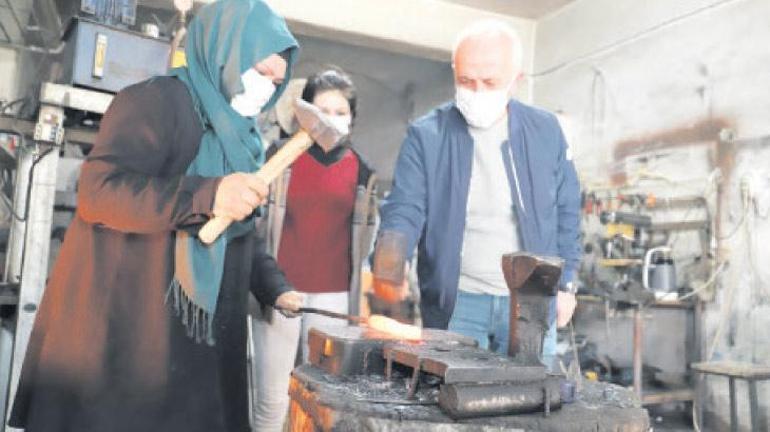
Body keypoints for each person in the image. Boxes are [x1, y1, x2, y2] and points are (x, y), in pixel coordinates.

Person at [8, 1, 305, 431]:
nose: (266, 88)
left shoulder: (243, 139)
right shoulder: (157, 102)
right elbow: (100, 191)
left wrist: (274, 288)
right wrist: (208, 193)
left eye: (277, 81)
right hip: (125, 333)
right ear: (224, 52)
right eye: (260, 71)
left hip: (193, 345)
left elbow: (238, 230)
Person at [372, 20, 581, 369]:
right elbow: (405, 208)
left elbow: (567, 210)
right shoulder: (427, 135)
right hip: (458, 302)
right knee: (453, 406)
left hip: (531, 300)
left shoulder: (546, 131)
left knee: (531, 408)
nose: (476, 91)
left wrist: (567, 283)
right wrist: (389, 264)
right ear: (454, 72)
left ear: (516, 79)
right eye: (466, 81)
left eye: (490, 82)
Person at [251, 67, 378, 432]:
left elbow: (365, 244)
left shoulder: (362, 172)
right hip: (279, 293)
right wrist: (269, 287)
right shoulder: (279, 156)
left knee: (320, 401)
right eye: (323, 110)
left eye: (341, 112)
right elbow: (256, 228)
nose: (332, 120)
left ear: (353, 118)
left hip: (333, 300)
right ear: (305, 110)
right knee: (271, 401)